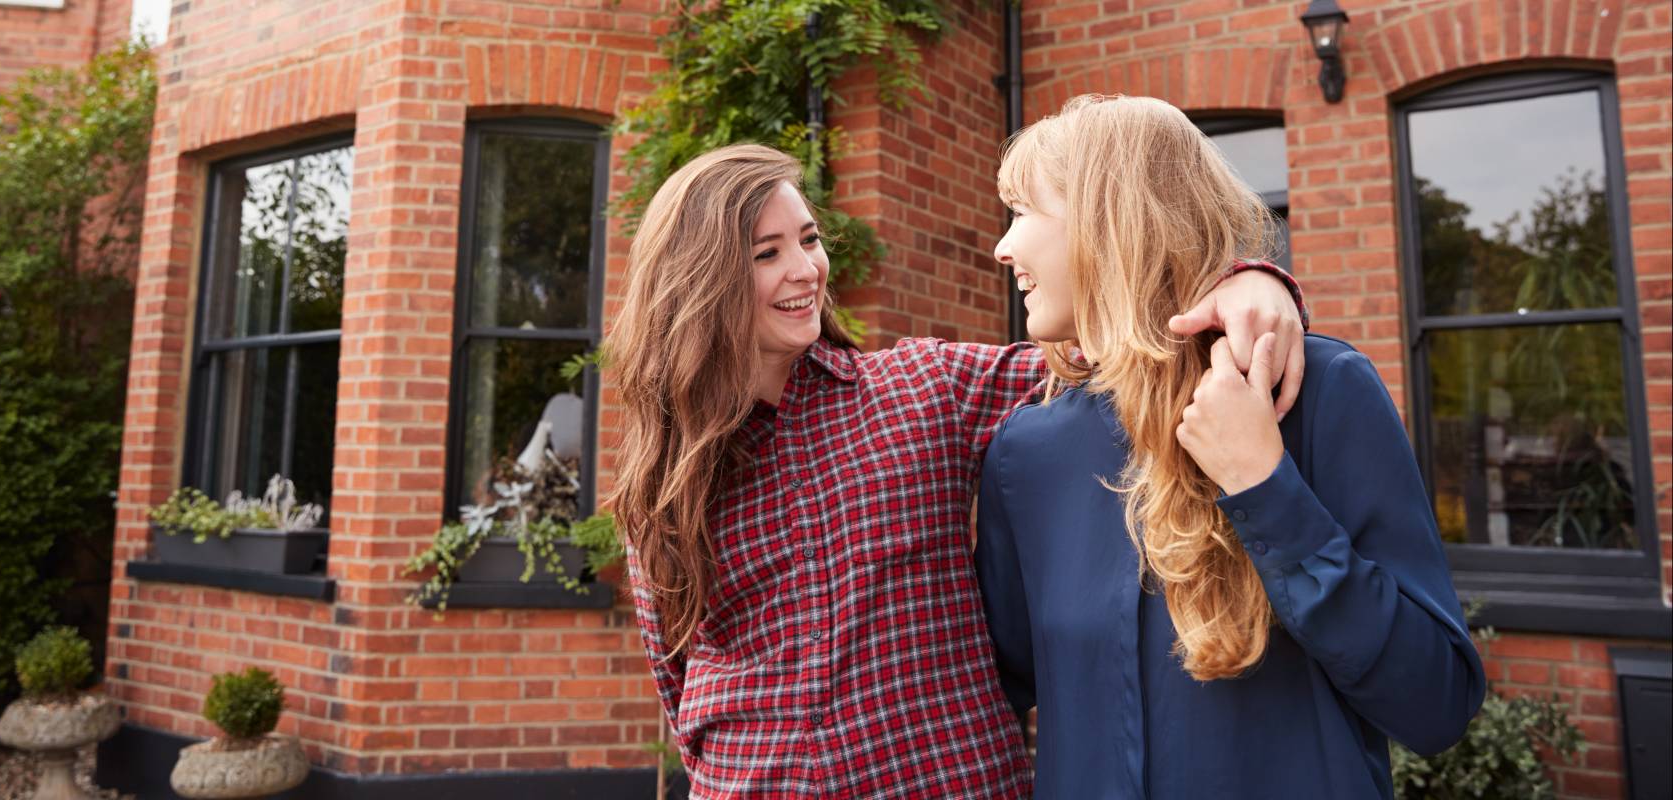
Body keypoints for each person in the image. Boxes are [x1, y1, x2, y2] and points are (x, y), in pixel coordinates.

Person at [606, 142, 1309, 798]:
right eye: (768, 252)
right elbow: (678, 678)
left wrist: (1250, 280)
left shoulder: (924, 388)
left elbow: (1124, 358)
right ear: (703, 280)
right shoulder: (666, 477)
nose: (805, 269)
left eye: (809, 240)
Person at [975, 94, 1484, 799]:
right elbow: (989, 681)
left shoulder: (1317, 392)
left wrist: (1264, 484)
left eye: (1023, 211)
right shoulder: (1026, 451)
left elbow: (1436, 702)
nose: (1002, 247)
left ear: (1108, 222)